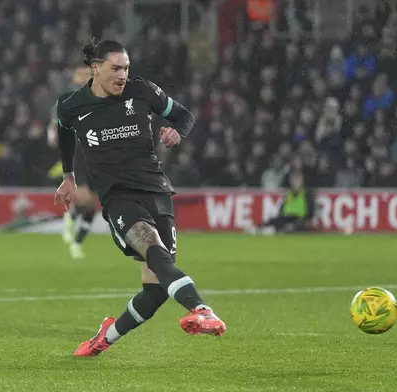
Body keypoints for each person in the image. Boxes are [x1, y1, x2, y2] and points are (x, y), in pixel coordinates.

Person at [54, 39, 227, 357]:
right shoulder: (72, 105)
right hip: (119, 197)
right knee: (155, 250)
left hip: (158, 192)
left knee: (156, 290)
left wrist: (178, 132)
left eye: (126, 68)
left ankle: (107, 336)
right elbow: (64, 128)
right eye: (115, 68)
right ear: (96, 69)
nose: (122, 75)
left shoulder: (143, 91)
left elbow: (184, 116)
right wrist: (69, 176)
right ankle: (202, 310)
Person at [47, 65, 99, 259]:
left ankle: (75, 234)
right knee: (85, 197)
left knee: (92, 205)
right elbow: (55, 120)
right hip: (79, 152)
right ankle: (72, 225)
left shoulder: (100, 97)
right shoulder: (69, 99)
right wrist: (53, 135)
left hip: (98, 153)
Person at [246, 171, 315, 235]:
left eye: (297, 179)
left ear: (302, 181)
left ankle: (274, 230)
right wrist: (280, 215)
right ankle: (258, 228)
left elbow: (311, 209)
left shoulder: (306, 193)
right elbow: (282, 207)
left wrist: (307, 219)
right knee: (274, 220)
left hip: (299, 218)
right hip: (286, 217)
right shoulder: (288, 193)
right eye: (293, 180)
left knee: (293, 226)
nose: (295, 182)